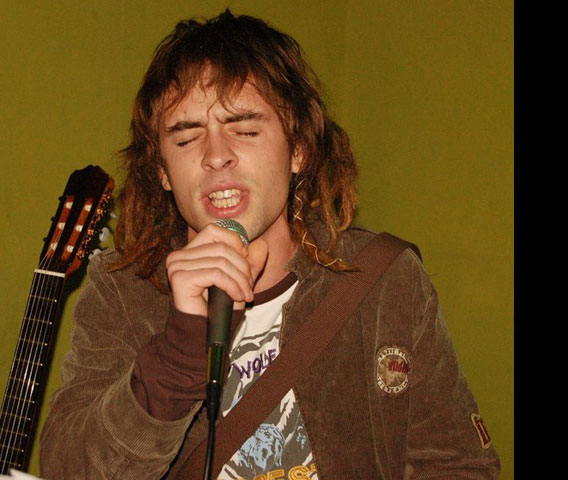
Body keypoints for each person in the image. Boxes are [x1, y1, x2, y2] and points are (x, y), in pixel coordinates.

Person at [39, 9, 500, 480]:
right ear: (162, 171)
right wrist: (178, 354)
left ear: (298, 149)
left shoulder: (383, 278)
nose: (216, 156)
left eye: (245, 130)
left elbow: (458, 466)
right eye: (187, 137)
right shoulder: (124, 288)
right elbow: (69, 470)